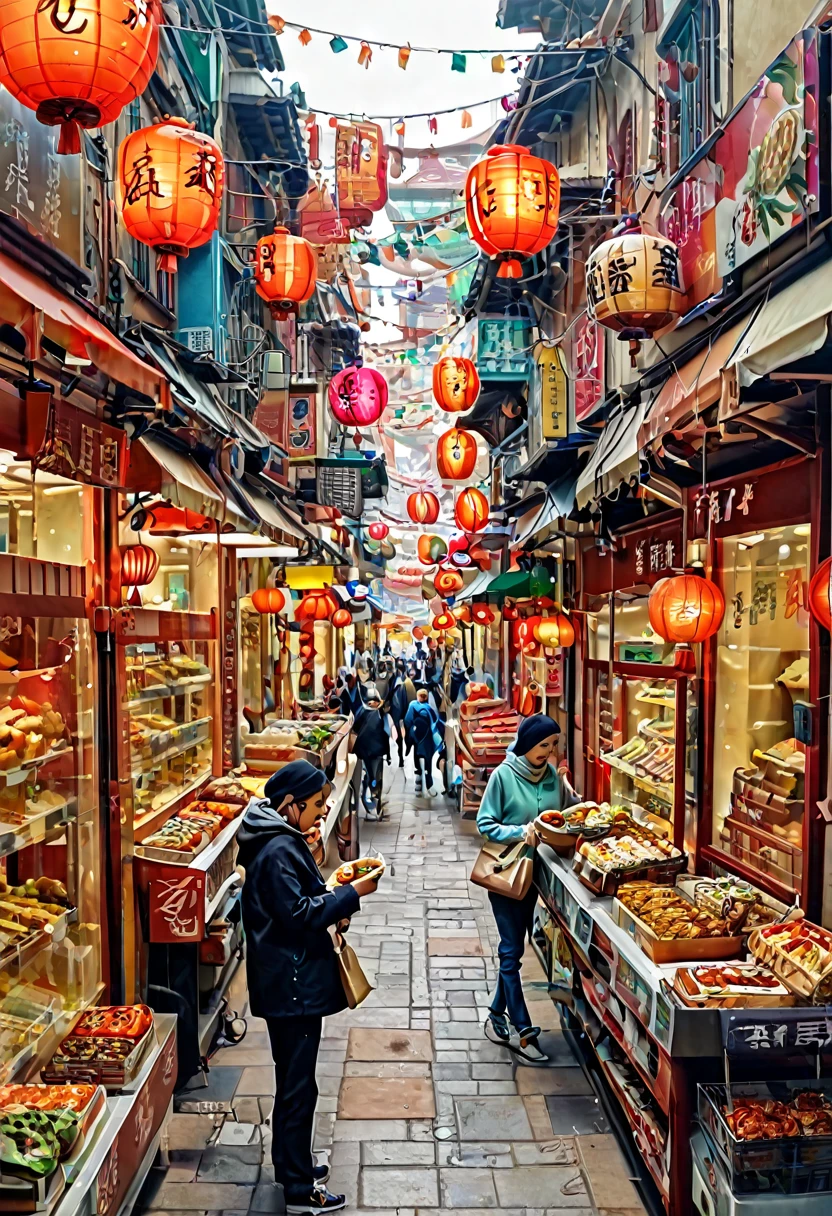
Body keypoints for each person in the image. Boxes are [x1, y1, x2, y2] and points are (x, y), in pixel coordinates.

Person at [237, 760, 379, 1213]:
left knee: (295, 1082)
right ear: (288, 804)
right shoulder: (278, 849)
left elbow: (297, 903)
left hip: (286, 982)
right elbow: (297, 915)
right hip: (291, 987)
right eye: (316, 806)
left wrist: (335, 894)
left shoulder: (277, 839)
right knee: (298, 1086)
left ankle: (293, 1162)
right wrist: (352, 893)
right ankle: (299, 1190)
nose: (321, 813)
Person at [476, 714, 579, 1064]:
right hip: (506, 874)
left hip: (534, 876)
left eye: (553, 745)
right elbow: (484, 823)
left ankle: (495, 1014)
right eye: (542, 745)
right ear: (527, 744)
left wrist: (574, 803)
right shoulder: (503, 776)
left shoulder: (551, 776)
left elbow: (561, 815)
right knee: (510, 951)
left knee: (515, 950)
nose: (548, 752)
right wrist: (520, 831)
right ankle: (522, 1030)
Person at [349, 683, 390, 820]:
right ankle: (372, 806)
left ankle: (371, 805)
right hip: (375, 753)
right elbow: (386, 734)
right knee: (374, 779)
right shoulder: (379, 714)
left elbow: (354, 728)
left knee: (370, 778)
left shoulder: (362, 712)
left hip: (364, 752)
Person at [404, 687, 442, 796]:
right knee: (428, 759)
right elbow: (435, 721)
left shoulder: (412, 705)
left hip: (416, 736)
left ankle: (418, 779)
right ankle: (429, 784)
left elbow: (407, 720)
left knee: (416, 753)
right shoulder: (429, 709)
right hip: (427, 737)